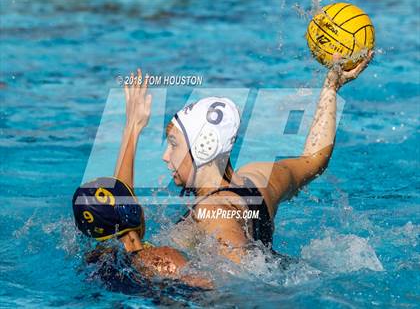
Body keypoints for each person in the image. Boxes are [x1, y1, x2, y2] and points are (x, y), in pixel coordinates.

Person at [73, 51, 373, 288]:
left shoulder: (213, 211)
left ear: (203, 146)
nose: (166, 156)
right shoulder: (257, 179)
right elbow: (314, 159)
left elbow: (242, 277)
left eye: (174, 144)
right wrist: (330, 87)